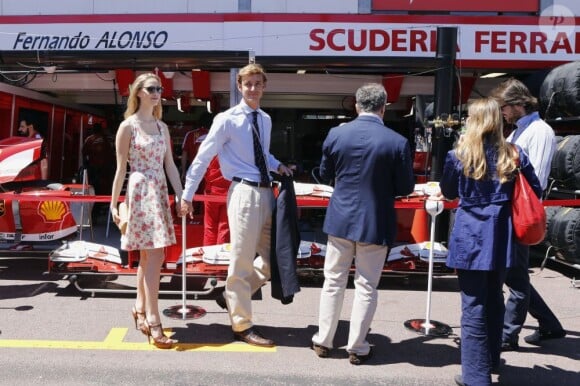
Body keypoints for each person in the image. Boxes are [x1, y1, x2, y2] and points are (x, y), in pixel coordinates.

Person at [180, 63, 293, 347]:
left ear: (264, 86)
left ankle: (232, 295)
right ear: (239, 87)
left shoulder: (264, 119)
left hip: (268, 192)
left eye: (257, 83)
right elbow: (203, 157)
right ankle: (242, 325)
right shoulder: (227, 119)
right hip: (242, 192)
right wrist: (187, 195)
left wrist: (278, 165)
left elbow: (262, 154)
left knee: (273, 261)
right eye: (248, 84)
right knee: (241, 262)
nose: (253, 88)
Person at [438, 97, 542, 386]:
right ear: (498, 121)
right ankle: (491, 359)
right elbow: (535, 189)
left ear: (474, 121)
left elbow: (448, 192)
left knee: (473, 306)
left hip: (471, 235)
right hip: (503, 235)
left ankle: (475, 376)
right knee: (495, 297)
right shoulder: (515, 154)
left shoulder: (458, 154)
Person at [311, 83, 414, 365]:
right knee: (366, 285)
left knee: (333, 281)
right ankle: (357, 346)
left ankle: (323, 340)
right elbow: (405, 185)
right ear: (384, 107)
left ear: (357, 105)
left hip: (341, 218)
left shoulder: (337, 134)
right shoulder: (397, 142)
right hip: (375, 219)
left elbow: (324, 172)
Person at [110, 73, 183, 349]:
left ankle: (140, 308)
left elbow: (171, 165)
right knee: (153, 256)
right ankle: (152, 318)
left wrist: (180, 195)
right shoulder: (128, 127)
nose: (156, 93)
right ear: (138, 92)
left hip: (160, 191)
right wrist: (114, 202)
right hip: (140, 191)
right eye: (151, 88)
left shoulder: (162, 127)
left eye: (159, 89)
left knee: (152, 255)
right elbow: (120, 169)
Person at [491, 78, 566, 351]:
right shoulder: (518, 132)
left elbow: (538, 178)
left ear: (519, 104)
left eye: (505, 107)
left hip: (521, 211)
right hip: (512, 209)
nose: (503, 112)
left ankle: (508, 335)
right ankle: (550, 324)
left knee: (516, 276)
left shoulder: (540, 131)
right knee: (514, 274)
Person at [82, 123, 115, 195]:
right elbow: (110, 152)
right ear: (101, 130)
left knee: (93, 184)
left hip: (93, 166)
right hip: (104, 166)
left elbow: (84, 152)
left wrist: (85, 164)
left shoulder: (89, 139)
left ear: (93, 130)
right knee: (104, 185)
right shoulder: (106, 140)